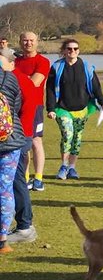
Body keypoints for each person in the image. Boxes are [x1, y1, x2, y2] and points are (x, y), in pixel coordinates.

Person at [45, 38, 103, 180]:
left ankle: (72, 167)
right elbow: (49, 89)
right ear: (64, 51)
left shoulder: (87, 66)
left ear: (78, 51)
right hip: (62, 108)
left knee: (77, 138)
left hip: (82, 109)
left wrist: (102, 102)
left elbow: (96, 86)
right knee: (67, 135)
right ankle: (64, 165)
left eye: (75, 49)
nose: (72, 51)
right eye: (69, 49)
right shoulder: (57, 67)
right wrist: (51, 109)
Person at [0, 50, 37, 244]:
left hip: (15, 137)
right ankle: (8, 232)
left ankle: (24, 225)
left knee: (16, 183)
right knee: (9, 186)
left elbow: (28, 107)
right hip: (13, 138)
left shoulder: (19, 79)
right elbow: (17, 108)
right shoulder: (14, 79)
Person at [14, 32, 50, 191]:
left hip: (34, 107)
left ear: (37, 42)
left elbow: (34, 83)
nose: (28, 43)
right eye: (25, 40)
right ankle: (25, 177)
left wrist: (17, 80)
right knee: (21, 144)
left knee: (35, 141)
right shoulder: (15, 62)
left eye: (31, 40)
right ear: (20, 42)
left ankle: (39, 178)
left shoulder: (42, 61)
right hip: (17, 108)